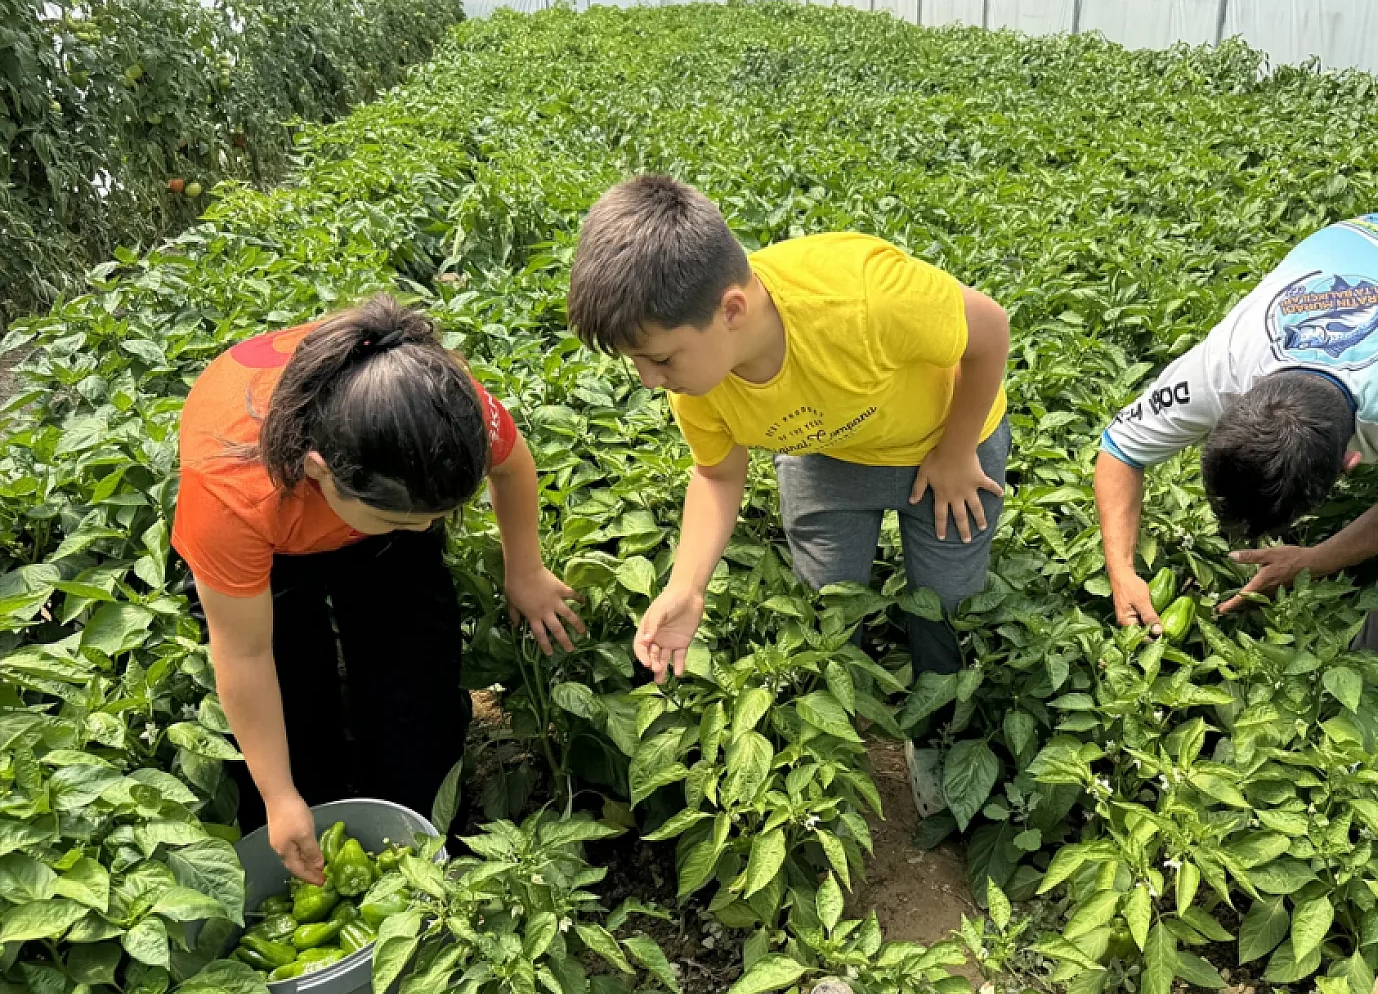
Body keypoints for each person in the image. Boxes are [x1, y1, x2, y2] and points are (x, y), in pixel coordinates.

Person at [171, 296, 584, 883]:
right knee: (293, 710)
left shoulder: (438, 411)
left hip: (378, 483)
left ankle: (423, 835)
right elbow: (244, 653)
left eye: (435, 516)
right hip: (277, 515)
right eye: (406, 520)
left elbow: (512, 463)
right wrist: (281, 796)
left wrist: (526, 571)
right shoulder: (230, 493)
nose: (425, 530)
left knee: (414, 693)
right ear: (319, 471)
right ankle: (316, 800)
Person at [566, 174, 1010, 684]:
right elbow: (717, 476)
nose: (649, 381)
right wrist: (686, 587)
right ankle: (851, 721)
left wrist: (956, 452)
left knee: (949, 606)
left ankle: (939, 721)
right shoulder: (695, 381)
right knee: (828, 607)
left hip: (949, 437)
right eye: (638, 363)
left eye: (660, 359)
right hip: (827, 452)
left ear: (731, 310)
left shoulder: (865, 300)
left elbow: (990, 331)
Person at [1095, 213, 1378, 675]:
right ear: (1229, 408)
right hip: (1367, 236)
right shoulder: (1220, 366)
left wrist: (1317, 560)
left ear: (1352, 461)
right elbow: (1121, 450)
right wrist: (1122, 571)